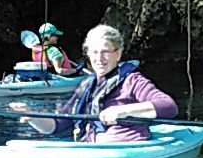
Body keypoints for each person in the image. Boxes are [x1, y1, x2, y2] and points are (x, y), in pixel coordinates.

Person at [12, 24, 177, 142]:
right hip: (92, 147)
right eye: (94, 52)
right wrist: (32, 116)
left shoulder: (133, 81)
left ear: (117, 54)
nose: (99, 58)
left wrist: (123, 111)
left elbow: (169, 107)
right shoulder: (86, 86)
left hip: (124, 148)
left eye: (105, 52)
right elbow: (58, 124)